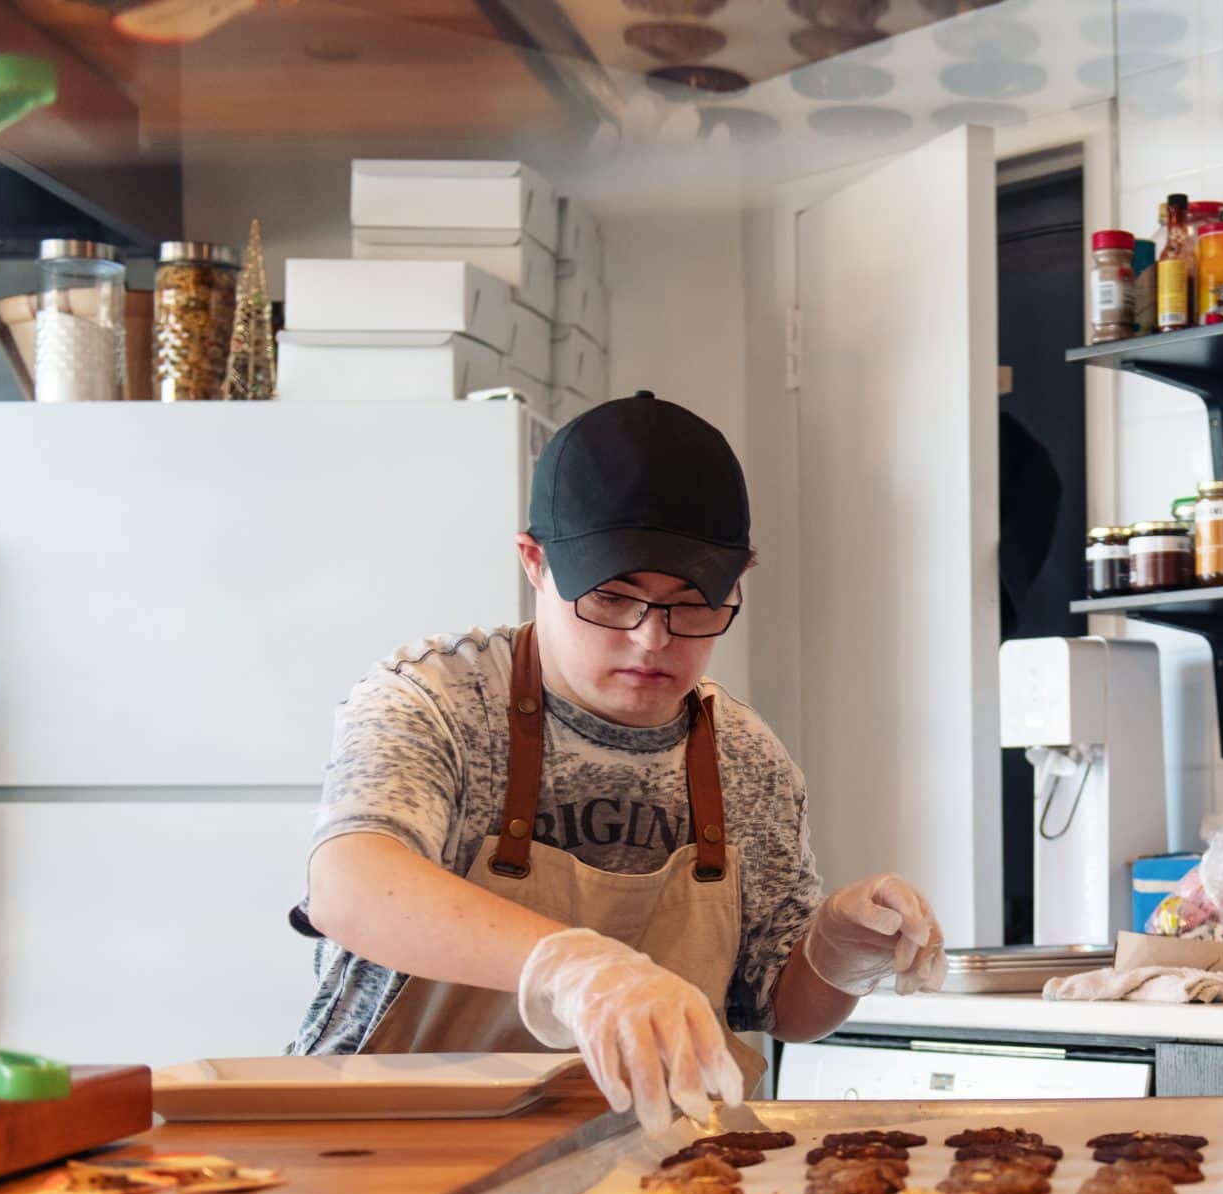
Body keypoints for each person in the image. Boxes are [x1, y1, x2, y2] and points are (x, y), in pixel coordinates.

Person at [290, 392, 946, 1126]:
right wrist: (569, 965)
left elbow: (782, 1007)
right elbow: (349, 888)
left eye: (692, 603)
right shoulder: (436, 698)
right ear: (535, 563)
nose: (650, 639)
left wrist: (836, 948)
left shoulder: (742, 755)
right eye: (611, 598)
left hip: (652, 1160)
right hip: (396, 1141)